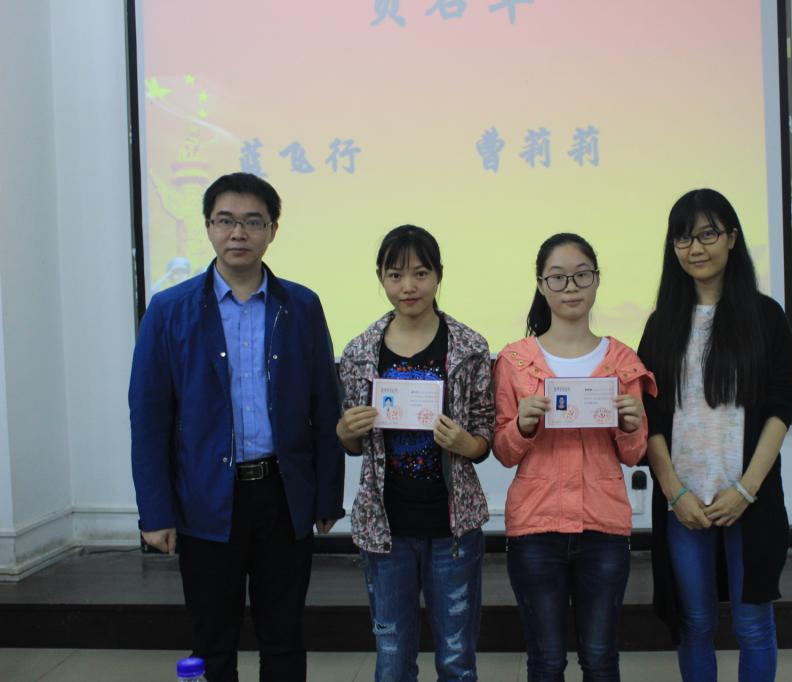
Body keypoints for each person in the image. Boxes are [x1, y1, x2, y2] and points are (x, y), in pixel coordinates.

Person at [129, 172, 344, 682]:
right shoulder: (169, 310)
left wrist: (326, 497)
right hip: (205, 497)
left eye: (253, 222)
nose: (238, 233)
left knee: (284, 637)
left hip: (282, 495)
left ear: (273, 230)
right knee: (212, 641)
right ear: (208, 227)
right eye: (226, 221)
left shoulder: (301, 306)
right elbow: (149, 417)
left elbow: (325, 404)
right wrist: (155, 511)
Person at [637, 189, 792, 681]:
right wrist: (674, 492)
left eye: (708, 234)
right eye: (683, 238)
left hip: (749, 498)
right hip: (684, 501)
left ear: (732, 238)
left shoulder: (765, 316)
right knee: (694, 623)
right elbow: (650, 416)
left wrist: (746, 490)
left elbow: (782, 406)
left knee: (753, 623)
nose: (695, 248)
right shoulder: (662, 325)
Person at [492, 233, 655, 682]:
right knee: (545, 661)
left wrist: (630, 424)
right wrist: (522, 425)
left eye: (582, 275)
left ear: (597, 280)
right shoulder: (515, 361)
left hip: (603, 527)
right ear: (541, 285)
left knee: (600, 659)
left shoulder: (622, 360)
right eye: (558, 277)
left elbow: (634, 454)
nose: (571, 287)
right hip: (535, 528)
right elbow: (503, 452)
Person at [336, 225, 495, 682]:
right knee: (392, 658)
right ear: (381, 278)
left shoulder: (469, 347)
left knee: (457, 660)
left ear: (438, 275)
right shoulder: (360, 352)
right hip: (385, 530)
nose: (408, 286)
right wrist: (345, 430)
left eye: (420, 274)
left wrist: (467, 443)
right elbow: (352, 443)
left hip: (453, 529)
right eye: (396, 275)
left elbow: (485, 433)